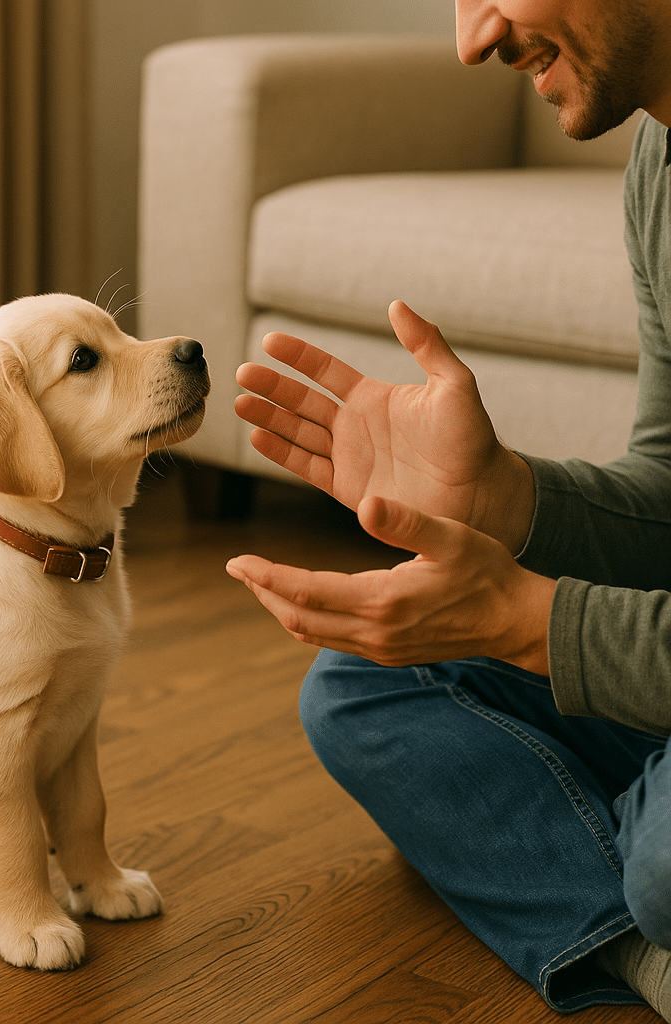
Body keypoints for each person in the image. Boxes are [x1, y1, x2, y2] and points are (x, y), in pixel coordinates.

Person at [225, 1, 671, 1017]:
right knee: (365, 687)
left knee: (665, 870)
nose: (472, 37)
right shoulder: (660, 160)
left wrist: (532, 623)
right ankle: (642, 961)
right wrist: (508, 497)